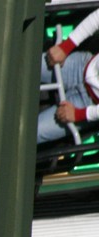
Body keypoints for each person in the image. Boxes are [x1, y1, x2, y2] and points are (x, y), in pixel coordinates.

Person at [40, 8, 99, 144]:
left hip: (86, 105)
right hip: (81, 66)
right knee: (23, 65)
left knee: (32, 132)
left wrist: (79, 114)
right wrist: (65, 47)